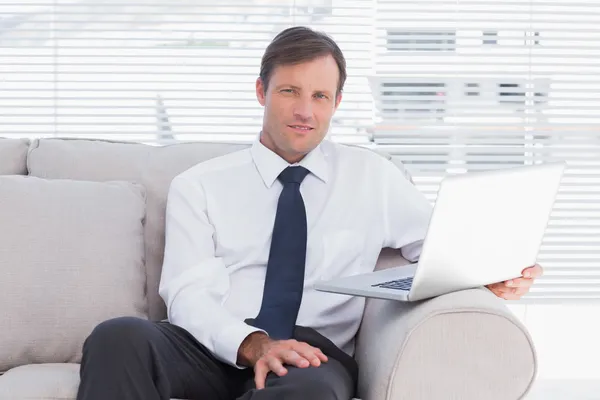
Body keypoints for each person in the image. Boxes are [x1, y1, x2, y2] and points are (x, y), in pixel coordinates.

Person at [76, 26, 544, 400]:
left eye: (320, 96)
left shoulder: (372, 177)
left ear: (337, 103)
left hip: (312, 356)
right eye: (289, 91)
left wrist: (489, 274)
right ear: (261, 91)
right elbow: (187, 294)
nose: (305, 111)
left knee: (309, 392)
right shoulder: (199, 185)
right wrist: (253, 344)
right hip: (216, 344)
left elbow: (441, 249)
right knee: (119, 338)